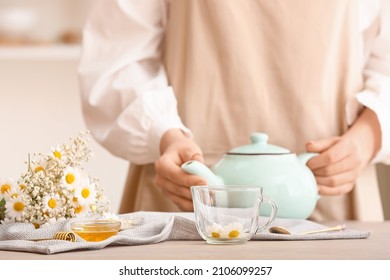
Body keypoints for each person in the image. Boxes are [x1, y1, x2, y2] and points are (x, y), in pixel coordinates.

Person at [78, 0, 390, 222]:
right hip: (185, 199)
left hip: (335, 200)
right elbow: (117, 61)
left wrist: (364, 141)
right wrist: (166, 136)